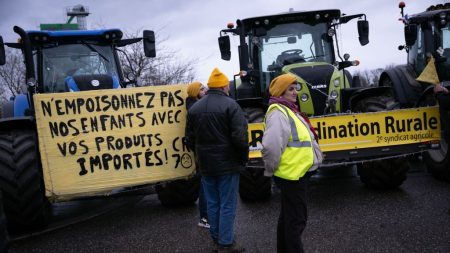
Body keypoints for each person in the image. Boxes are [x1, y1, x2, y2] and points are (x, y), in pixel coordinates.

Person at [186, 68, 248, 253]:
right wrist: (242, 159)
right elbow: (240, 138)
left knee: (212, 203)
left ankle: (217, 238)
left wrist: (200, 155)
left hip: (205, 165)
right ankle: (226, 243)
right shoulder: (231, 105)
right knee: (227, 203)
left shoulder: (194, 108)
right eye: (227, 85)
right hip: (227, 164)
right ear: (223, 86)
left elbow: (189, 138)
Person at [262, 73, 323, 253]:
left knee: (288, 219)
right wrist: (270, 170)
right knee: (296, 221)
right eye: (291, 89)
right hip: (292, 176)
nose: (295, 92)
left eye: (296, 88)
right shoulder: (278, 113)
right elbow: (271, 147)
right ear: (281, 91)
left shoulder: (288, 110)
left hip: (295, 174)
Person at [185, 81, 209, 229]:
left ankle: (206, 217)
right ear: (195, 92)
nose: (205, 90)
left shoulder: (193, 106)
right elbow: (191, 135)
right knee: (205, 183)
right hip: (202, 151)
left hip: (200, 150)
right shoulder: (195, 108)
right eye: (201, 89)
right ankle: (205, 218)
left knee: (205, 182)